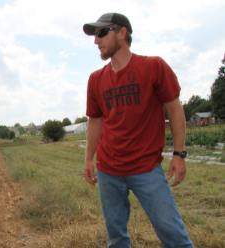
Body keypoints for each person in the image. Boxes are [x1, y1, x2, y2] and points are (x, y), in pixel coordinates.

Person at [83, 13, 194, 248]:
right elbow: (95, 121)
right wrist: (88, 159)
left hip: (147, 169)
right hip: (108, 171)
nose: (96, 40)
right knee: (116, 239)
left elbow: (175, 110)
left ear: (122, 33)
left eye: (102, 33)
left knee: (174, 235)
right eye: (95, 35)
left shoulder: (153, 66)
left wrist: (179, 153)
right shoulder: (95, 79)